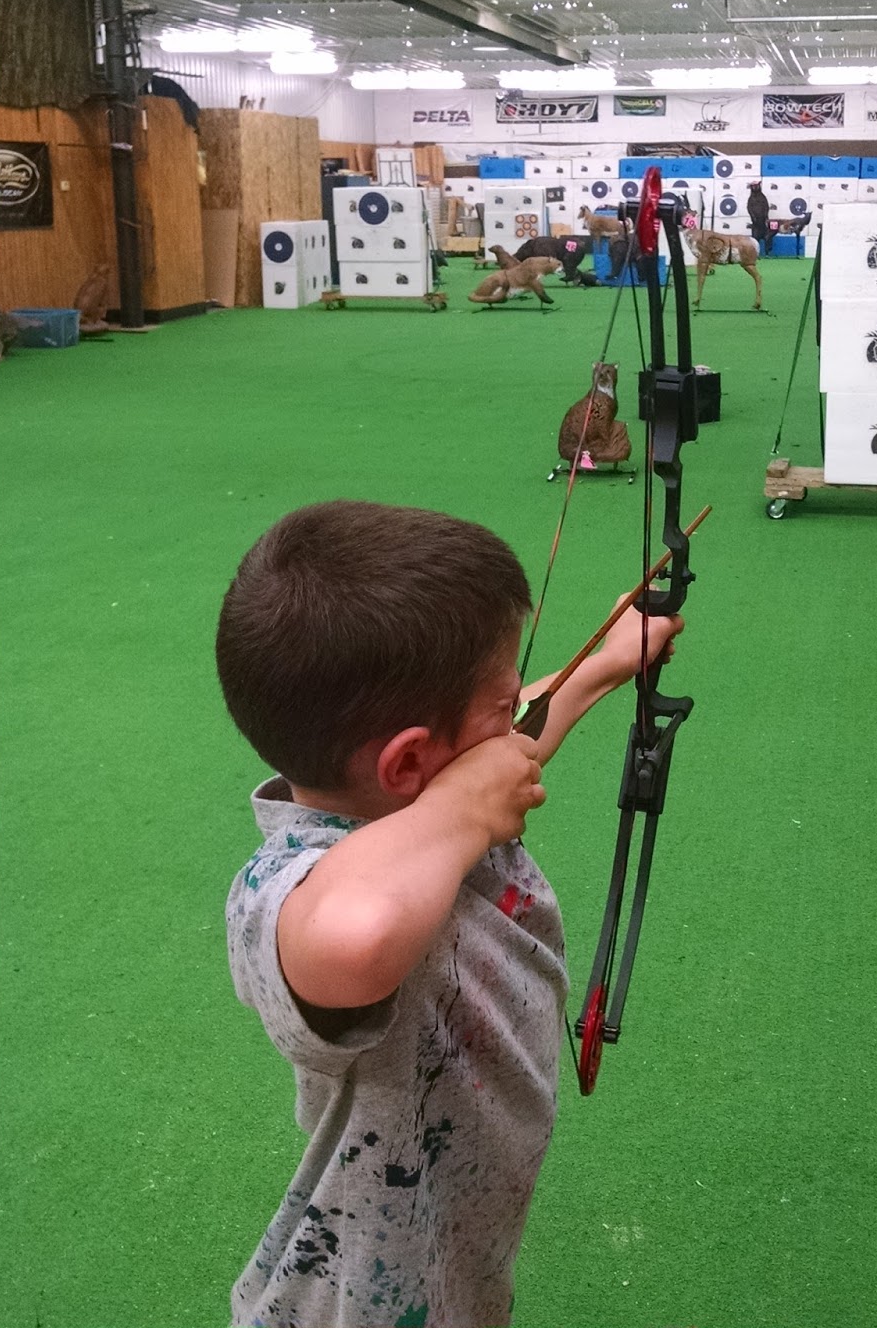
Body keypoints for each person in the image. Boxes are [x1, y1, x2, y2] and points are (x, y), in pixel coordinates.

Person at [216, 500, 683, 1328]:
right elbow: (353, 935)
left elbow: (495, 750)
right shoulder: (284, 888)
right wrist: (465, 805)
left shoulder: (426, 803)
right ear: (409, 763)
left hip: (451, 1249)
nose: (514, 735)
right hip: (350, 1300)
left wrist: (605, 664)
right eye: (500, 711)